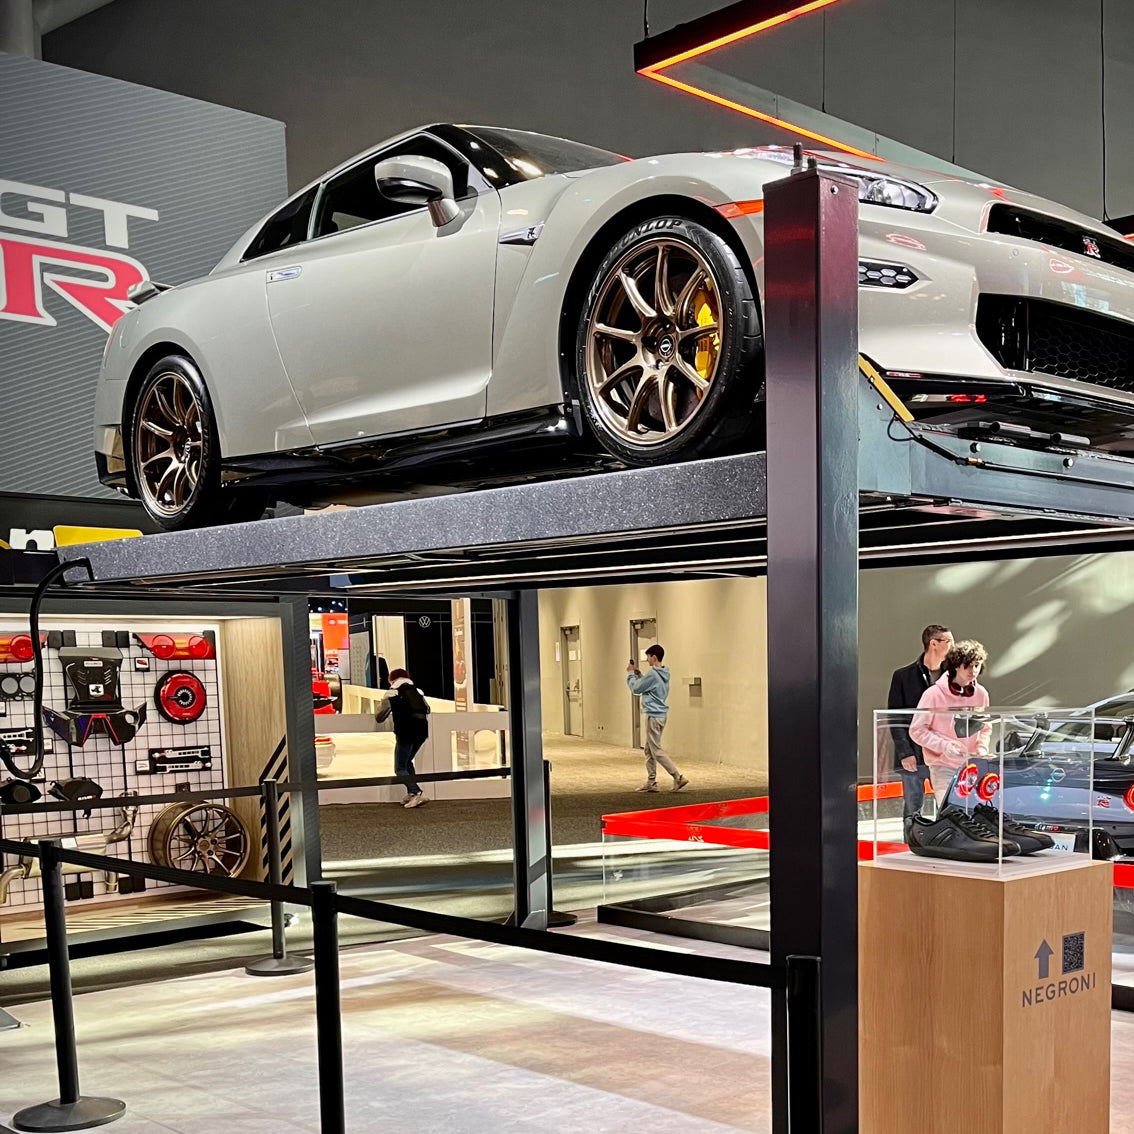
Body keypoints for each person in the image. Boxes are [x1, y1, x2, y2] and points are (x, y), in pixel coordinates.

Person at [909, 640, 991, 805]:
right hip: (942, 766)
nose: (973, 670)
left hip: (973, 765)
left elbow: (985, 727)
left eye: (976, 665)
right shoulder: (933, 694)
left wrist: (981, 749)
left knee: (975, 813)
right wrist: (944, 746)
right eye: (967, 665)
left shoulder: (981, 694)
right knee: (950, 812)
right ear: (955, 665)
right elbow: (917, 730)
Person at [887, 624, 954, 823]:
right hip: (913, 754)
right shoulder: (903, 676)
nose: (953, 646)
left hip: (944, 754)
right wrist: (905, 753)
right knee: (913, 806)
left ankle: (947, 842)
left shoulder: (954, 677)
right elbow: (895, 718)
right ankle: (911, 844)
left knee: (947, 804)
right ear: (934, 643)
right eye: (949, 641)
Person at [626, 644, 688, 793]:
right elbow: (651, 687)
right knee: (649, 749)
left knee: (656, 750)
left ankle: (677, 777)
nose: (647, 660)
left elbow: (636, 689)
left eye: (648, 657)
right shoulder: (664, 673)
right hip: (661, 715)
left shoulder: (654, 674)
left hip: (653, 716)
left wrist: (630, 674)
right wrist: (640, 676)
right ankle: (651, 782)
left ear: (654, 657)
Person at [375, 667, 431, 808]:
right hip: (422, 731)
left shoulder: (392, 693)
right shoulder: (418, 692)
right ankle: (412, 793)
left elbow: (379, 717)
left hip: (405, 732)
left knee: (399, 768)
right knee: (407, 763)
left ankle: (417, 792)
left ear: (391, 679)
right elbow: (427, 709)